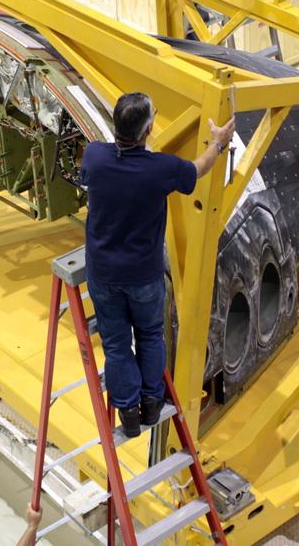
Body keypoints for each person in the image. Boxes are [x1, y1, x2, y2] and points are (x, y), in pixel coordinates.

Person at [80, 92, 236, 438]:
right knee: (150, 335)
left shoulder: (95, 156)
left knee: (116, 344)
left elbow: (94, 169)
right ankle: (151, 404)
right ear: (149, 128)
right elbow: (199, 168)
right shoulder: (160, 169)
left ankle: (128, 414)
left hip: (104, 275)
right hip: (144, 276)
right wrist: (219, 142)